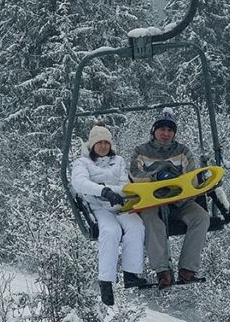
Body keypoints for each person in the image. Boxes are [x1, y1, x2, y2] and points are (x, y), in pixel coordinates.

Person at [129, 108, 209, 289]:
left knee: (201, 217)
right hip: (153, 201)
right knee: (151, 220)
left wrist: (178, 185)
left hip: (179, 200)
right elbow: (135, 174)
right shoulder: (141, 151)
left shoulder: (182, 152)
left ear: (174, 133)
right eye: (162, 129)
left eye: (170, 130)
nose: (165, 134)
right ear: (154, 131)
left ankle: (188, 269)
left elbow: (191, 176)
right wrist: (156, 177)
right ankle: (163, 271)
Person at [71, 124, 148, 306]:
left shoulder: (118, 161)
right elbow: (80, 183)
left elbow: (123, 184)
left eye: (106, 142)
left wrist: (115, 192)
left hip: (120, 204)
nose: (103, 146)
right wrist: (103, 191)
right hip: (99, 206)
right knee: (110, 231)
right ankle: (106, 282)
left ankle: (131, 274)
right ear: (92, 145)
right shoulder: (82, 163)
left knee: (136, 226)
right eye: (99, 143)